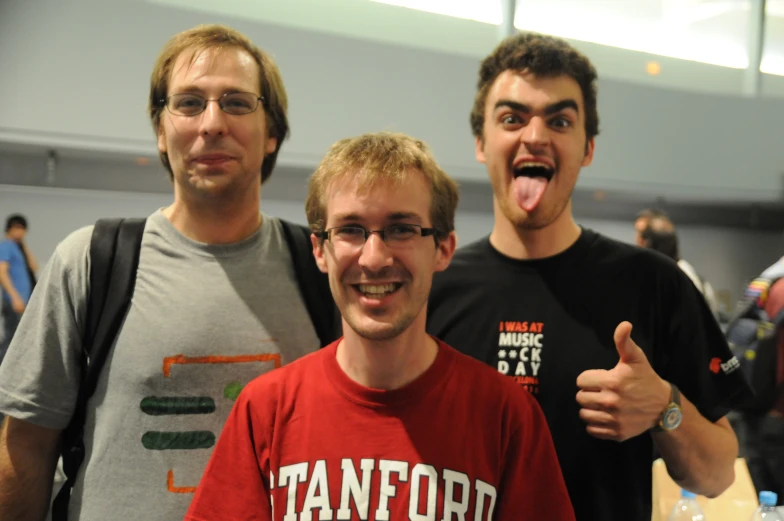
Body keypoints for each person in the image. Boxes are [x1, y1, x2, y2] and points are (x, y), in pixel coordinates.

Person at [0, 24, 337, 521]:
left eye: (238, 103)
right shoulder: (91, 262)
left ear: (273, 134)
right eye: (189, 103)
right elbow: (24, 448)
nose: (212, 123)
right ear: (161, 129)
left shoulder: (320, 268)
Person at [426, 32, 751, 521]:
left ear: (588, 148)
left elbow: (718, 474)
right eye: (512, 118)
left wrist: (664, 406)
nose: (535, 136)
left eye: (559, 120)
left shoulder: (654, 284)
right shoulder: (435, 287)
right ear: (480, 142)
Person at [185, 132, 575, 521]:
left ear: (443, 249)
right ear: (320, 250)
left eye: (401, 229)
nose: (373, 259)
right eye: (350, 230)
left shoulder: (505, 416)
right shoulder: (265, 411)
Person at [638, 211, 721, 319]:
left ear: (650, 243)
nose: (638, 241)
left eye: (641, 236)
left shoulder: (676, 275)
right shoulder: (677, 271)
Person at [0, 214, 37, 365]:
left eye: (22, 229)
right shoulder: (6, 246)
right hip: (14, 301)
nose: (20, 232)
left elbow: (34, 266)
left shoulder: (18, 248)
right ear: (9, 229)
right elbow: (2, 272)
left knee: (18, 340)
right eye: (17, 228)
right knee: (12, 340)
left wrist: (24, 246)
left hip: (23, 301)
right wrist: (15, 297)